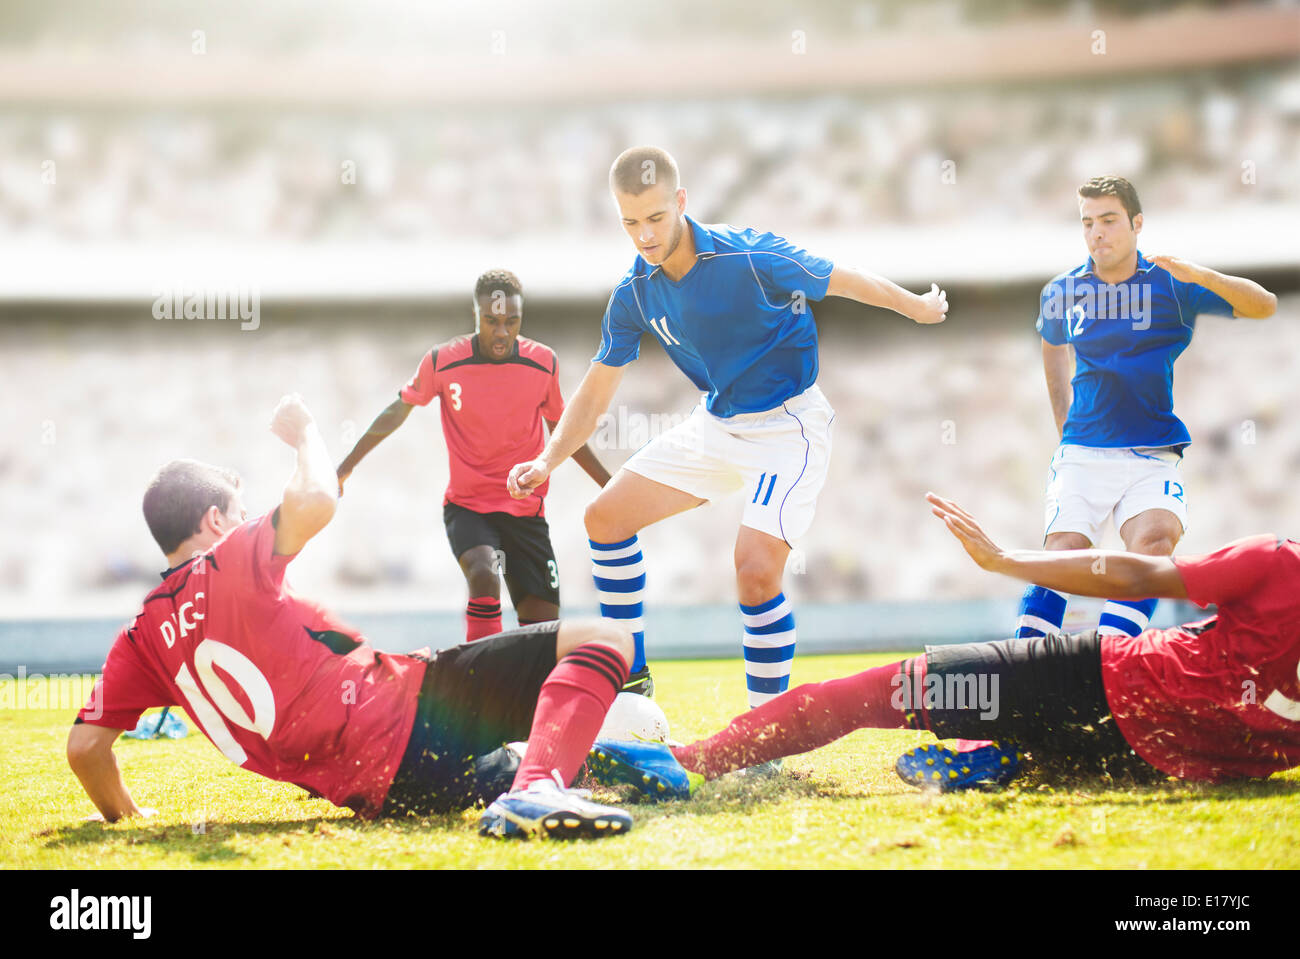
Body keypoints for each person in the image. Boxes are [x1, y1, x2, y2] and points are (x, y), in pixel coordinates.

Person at [67, 394, 635, 840]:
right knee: (605, 639)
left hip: (380, 788)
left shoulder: (141, 638)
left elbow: (85, 749)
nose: (246, 521)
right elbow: (316, 501)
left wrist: (125, 817)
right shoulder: (228, 558)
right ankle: (536, 789)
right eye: (238, 513)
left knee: (589, 770)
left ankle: (575, 778)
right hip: (410, 711)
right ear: (216, 521)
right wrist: (305, 434)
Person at [508, 146, 948, 705]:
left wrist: (917, 308)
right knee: (605, 519)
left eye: (655, 218)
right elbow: (597, 389)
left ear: (682, 202)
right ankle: (634, 682)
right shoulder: (633, 293)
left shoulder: (749, 254)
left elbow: (843, 279)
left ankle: (764, 729)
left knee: (755, 571)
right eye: (630, 223)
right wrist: (547, 459)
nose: (644, 235)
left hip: (789, 424)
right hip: (715, 424)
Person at [585, 493, 1300, 797]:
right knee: (1043, 740)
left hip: (1087, 683)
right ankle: (1006, 752)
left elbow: (1140, 572)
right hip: (1150, 762)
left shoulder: (1278, 562)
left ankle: (689, 763)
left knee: (864, 695)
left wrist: (1006, 560)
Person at [1016, 175, 1276, 647]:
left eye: (1109, 220)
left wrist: (1202, 275)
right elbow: (1052, 348)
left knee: (1155, 544)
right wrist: (1064, 427)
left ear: (1137, 223)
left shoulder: (1174, 284)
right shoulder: (1061, 291)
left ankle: (1109, 667)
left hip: (1151, 450)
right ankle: (1020, 662)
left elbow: (1264, 305)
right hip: (1083, 450)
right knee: (1063, 552)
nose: (1097, 232)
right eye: (1088, 222)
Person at [337, 269, 610, 643]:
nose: (501, 332)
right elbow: (397, 410)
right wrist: (345, 466)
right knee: (484, 572)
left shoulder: (543, 363)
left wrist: (611, 485)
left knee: (542, 625)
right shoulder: (443, 362)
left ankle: (530, 691)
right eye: (491, 321)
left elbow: (564, 433)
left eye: (511, 322)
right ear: (475, 315)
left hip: (525, 513)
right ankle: (479, 678)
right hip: (468, 508)